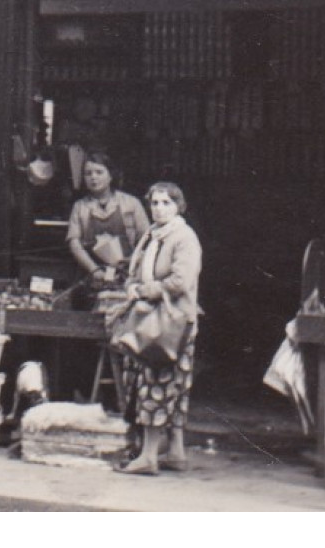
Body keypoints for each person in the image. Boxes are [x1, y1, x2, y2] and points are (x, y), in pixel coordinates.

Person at [114, 181, 202, 476]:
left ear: (179, 206)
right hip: (148, 319)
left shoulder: (184, 238)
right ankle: (175, 452)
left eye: (166, 203)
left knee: (158, 382)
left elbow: (180, 281)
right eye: (154, 203)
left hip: (172, 322)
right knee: (164, 383)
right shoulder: (151, 236)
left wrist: (143, 290)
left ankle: (149, 455)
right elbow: (133, 270)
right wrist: (132, 287)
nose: (159, 208)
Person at [65, 152, 150, 287]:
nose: (93, 177)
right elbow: (74, 244)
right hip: (91, 275)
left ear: (110, 175)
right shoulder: (80, 207)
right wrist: (94, 270)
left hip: (128, 275)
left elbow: (147, 239)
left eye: (99, 172)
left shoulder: (131, 203)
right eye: (88, 173)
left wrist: (134, 265)